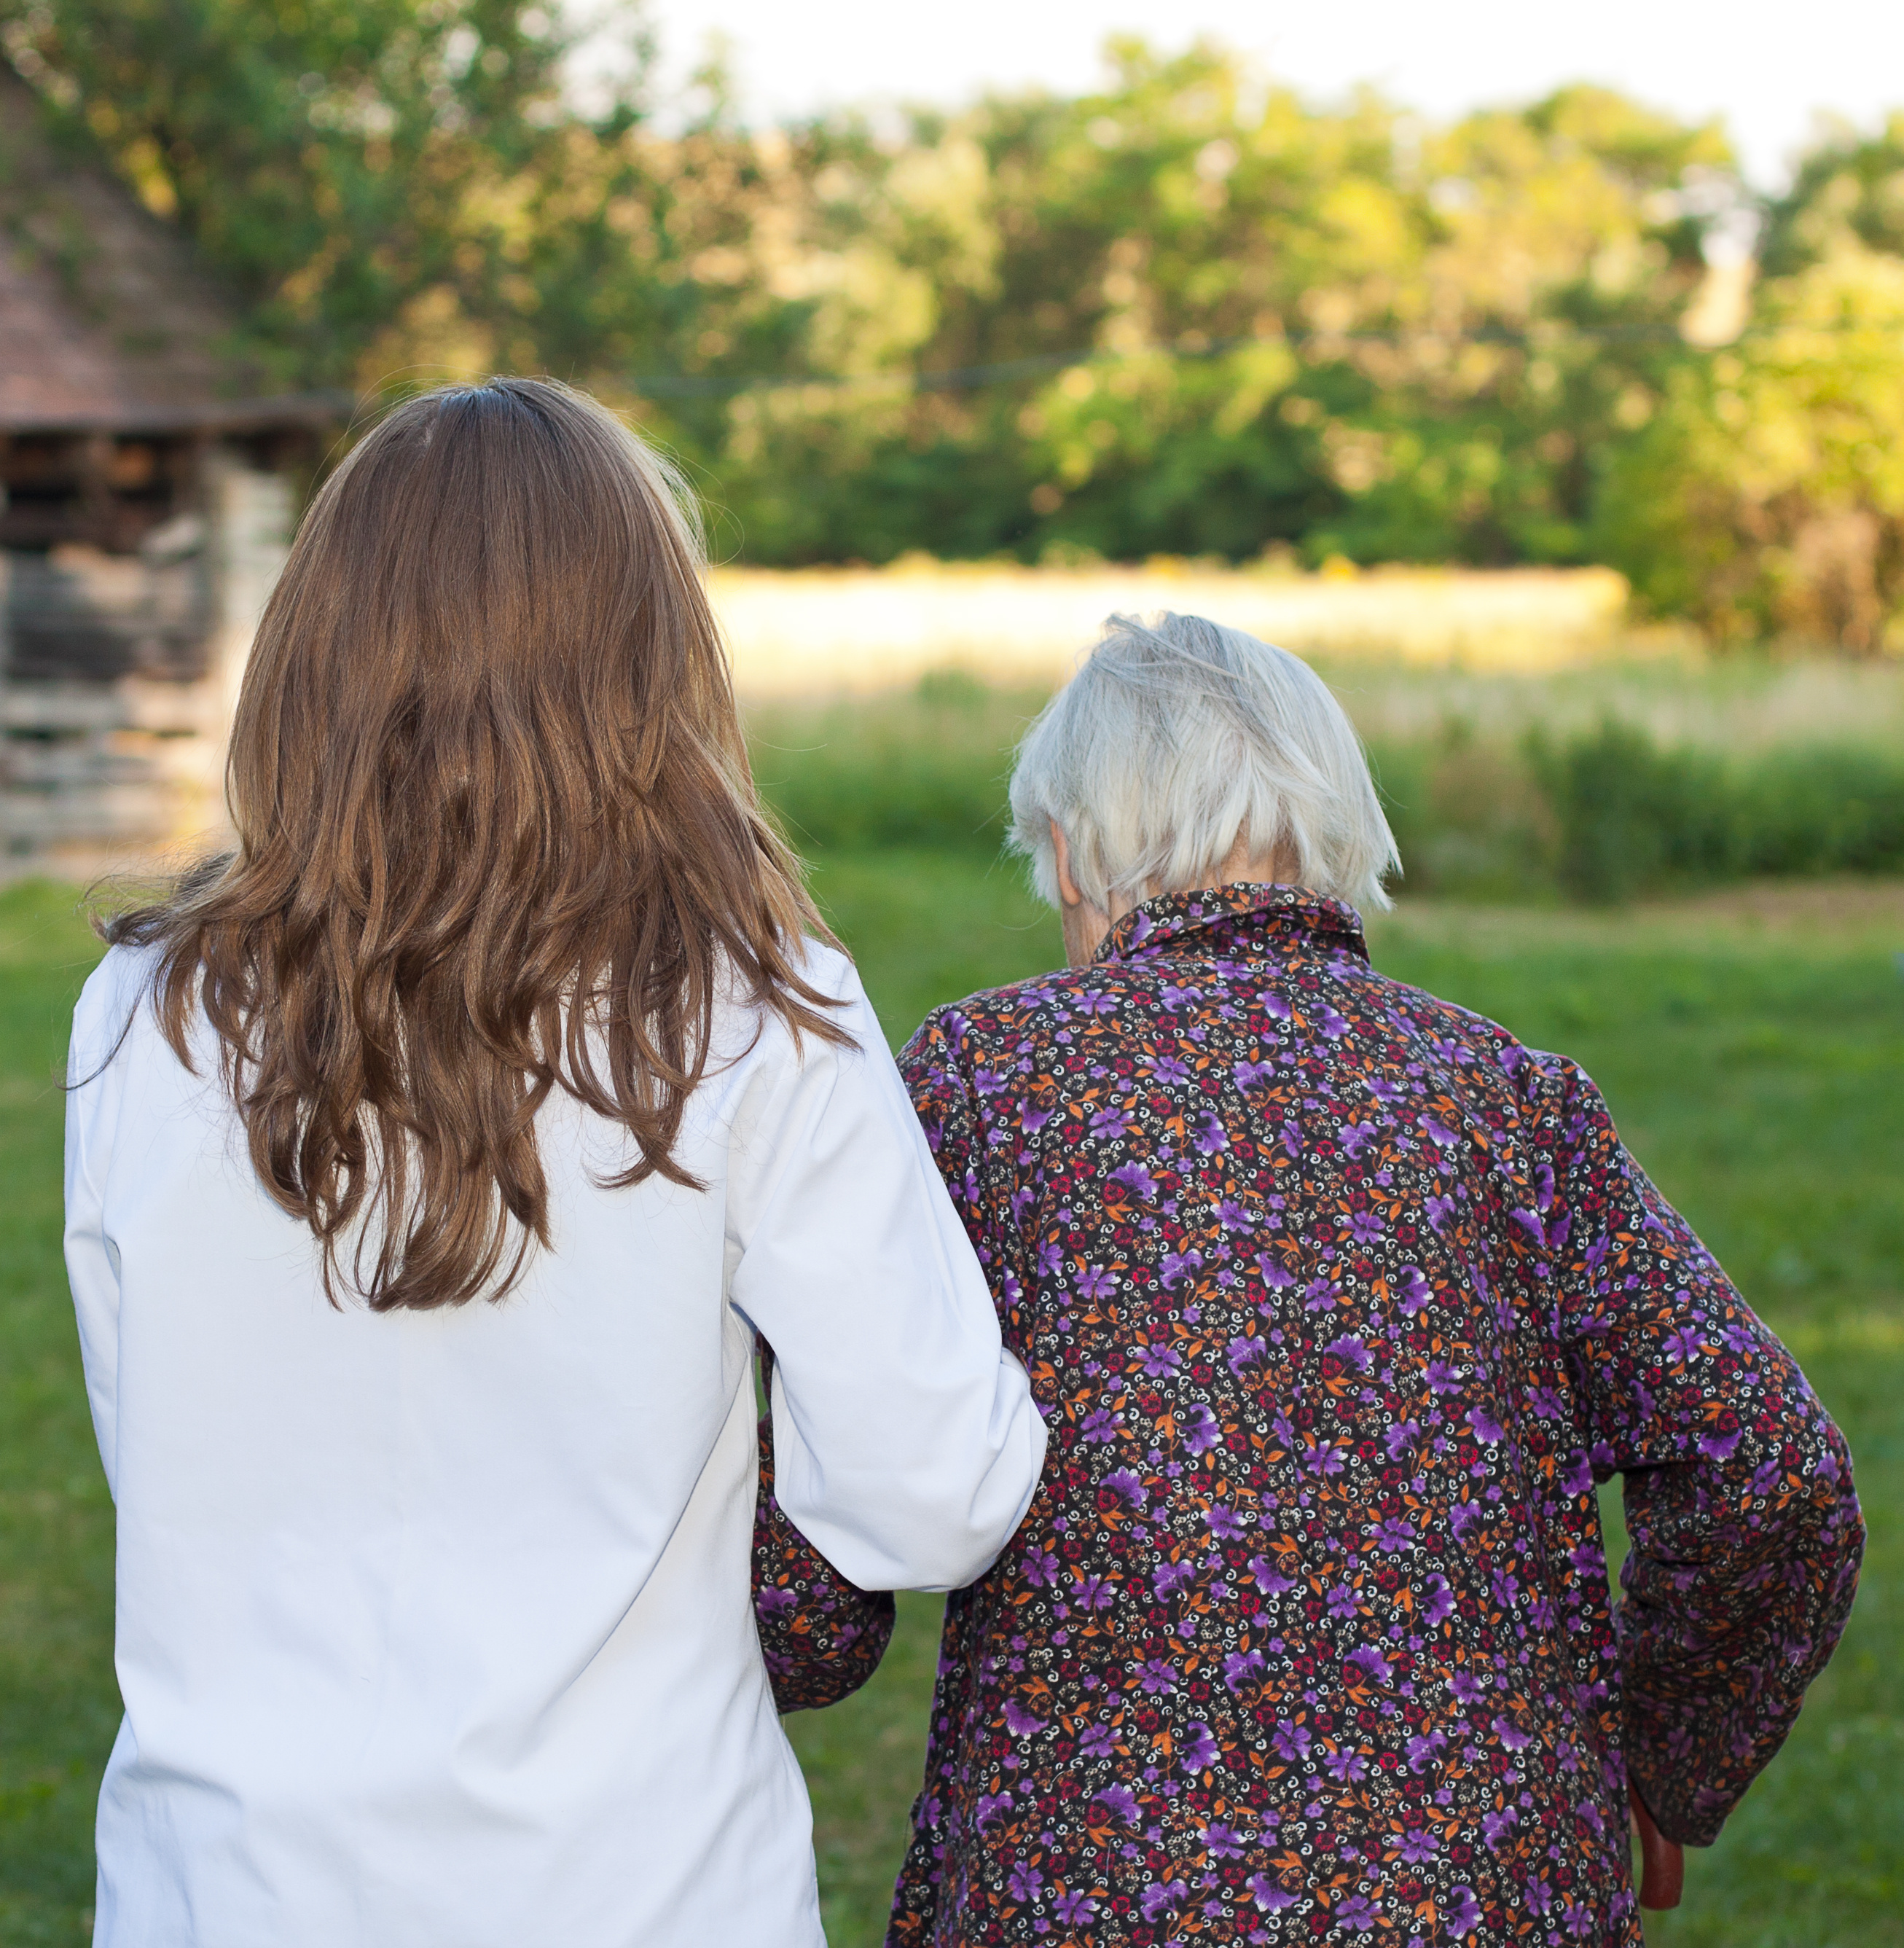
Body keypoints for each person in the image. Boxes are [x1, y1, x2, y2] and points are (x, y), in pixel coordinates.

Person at [61, 377, 1046, 1948]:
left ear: (316, 650)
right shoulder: (752, 1007)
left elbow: (161, 1438)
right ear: (650, 660)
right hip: (639, 1888)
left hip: (223, 1884)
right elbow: (934, 1491)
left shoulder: (147, 1010)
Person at [858, 613, 1860, 1944]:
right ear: (1335, 831)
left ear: (1067, 847)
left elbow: (848, 1465)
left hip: (1092, 1886)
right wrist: (1658, 1757)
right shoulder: (1502, 1097)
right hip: (1485, 1886)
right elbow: (1771, 1467)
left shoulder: (988, 1081)